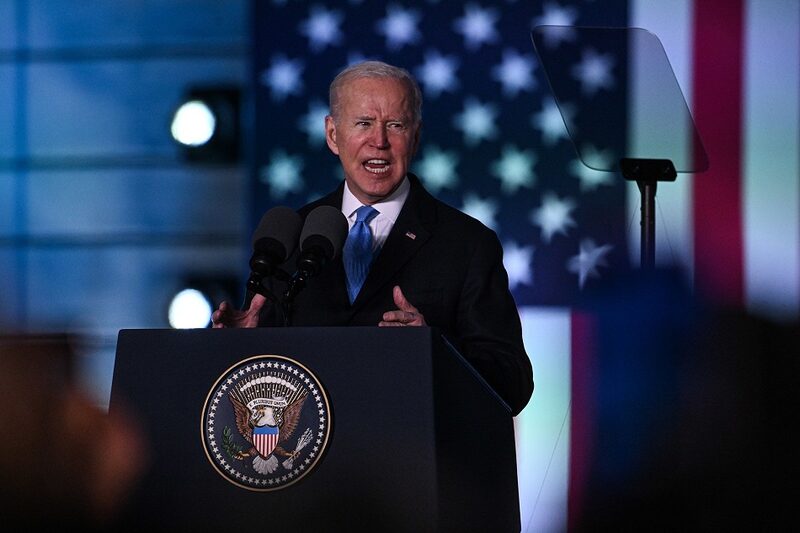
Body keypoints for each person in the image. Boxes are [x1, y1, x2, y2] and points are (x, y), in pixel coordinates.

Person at [213, 60, 533, 415]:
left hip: (413, 461)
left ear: (415, 136)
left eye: (395, 125)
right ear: (333, 135)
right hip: (308, 462)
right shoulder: (291, 235)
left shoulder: (468, 243)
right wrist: (239, 346)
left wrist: (434, 351)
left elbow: (513, 384)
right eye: (363, 123)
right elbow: (257, 383)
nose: (379, 141)